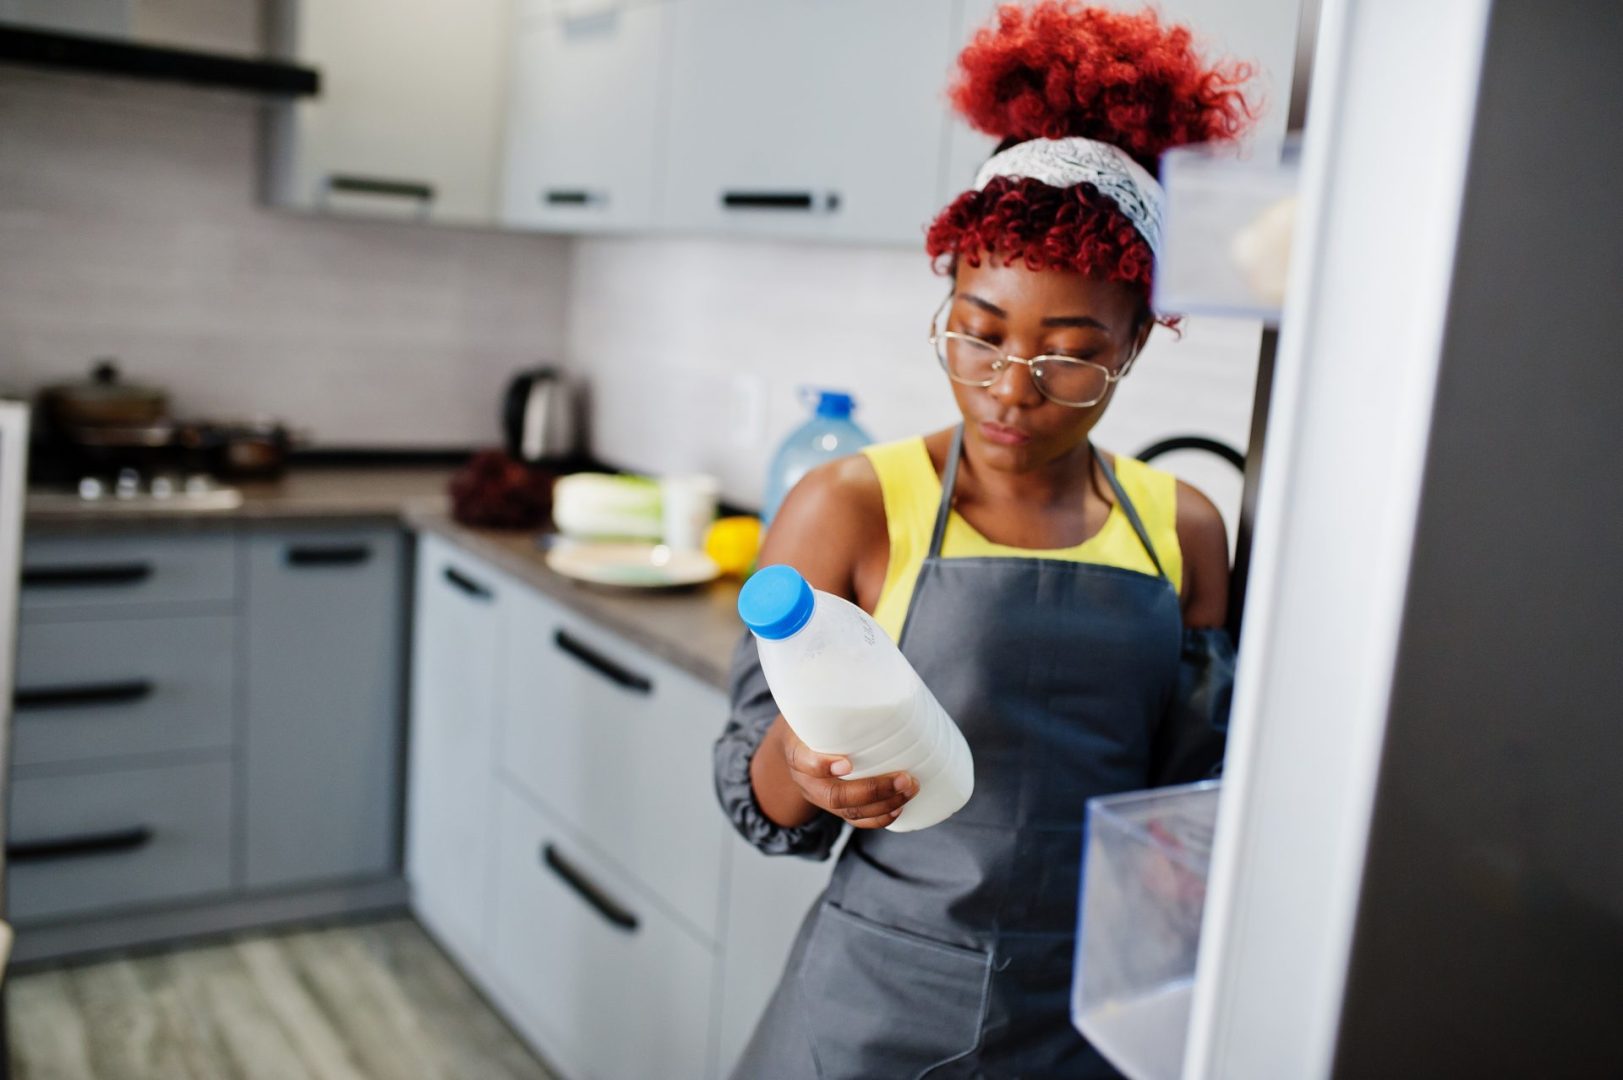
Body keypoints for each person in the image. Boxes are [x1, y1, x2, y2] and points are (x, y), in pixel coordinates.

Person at [713, 3, 1256, 1076]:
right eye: (979, 330)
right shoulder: (850, 505)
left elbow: (1186, 804)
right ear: (951, 292)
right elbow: (750, 789)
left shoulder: (1182, 530)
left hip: (1090, 1011)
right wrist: (806, 770)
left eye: (1070, 354)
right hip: (872, 1002)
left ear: (1138, 342)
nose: (1012, 388)